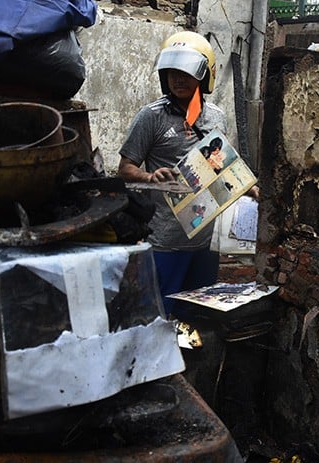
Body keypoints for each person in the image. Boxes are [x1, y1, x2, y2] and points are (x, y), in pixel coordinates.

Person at [117, 31, 226, 319]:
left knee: (197, 315)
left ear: (204, 76)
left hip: (205, 240)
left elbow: (220, 165)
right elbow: (125, 169)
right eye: (172, 72)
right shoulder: (151, 116)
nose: (178, 79)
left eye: (186, 72)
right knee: (159, 315)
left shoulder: (216, 117)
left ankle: (194, 363)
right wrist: (149, 177)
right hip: (165, 240)